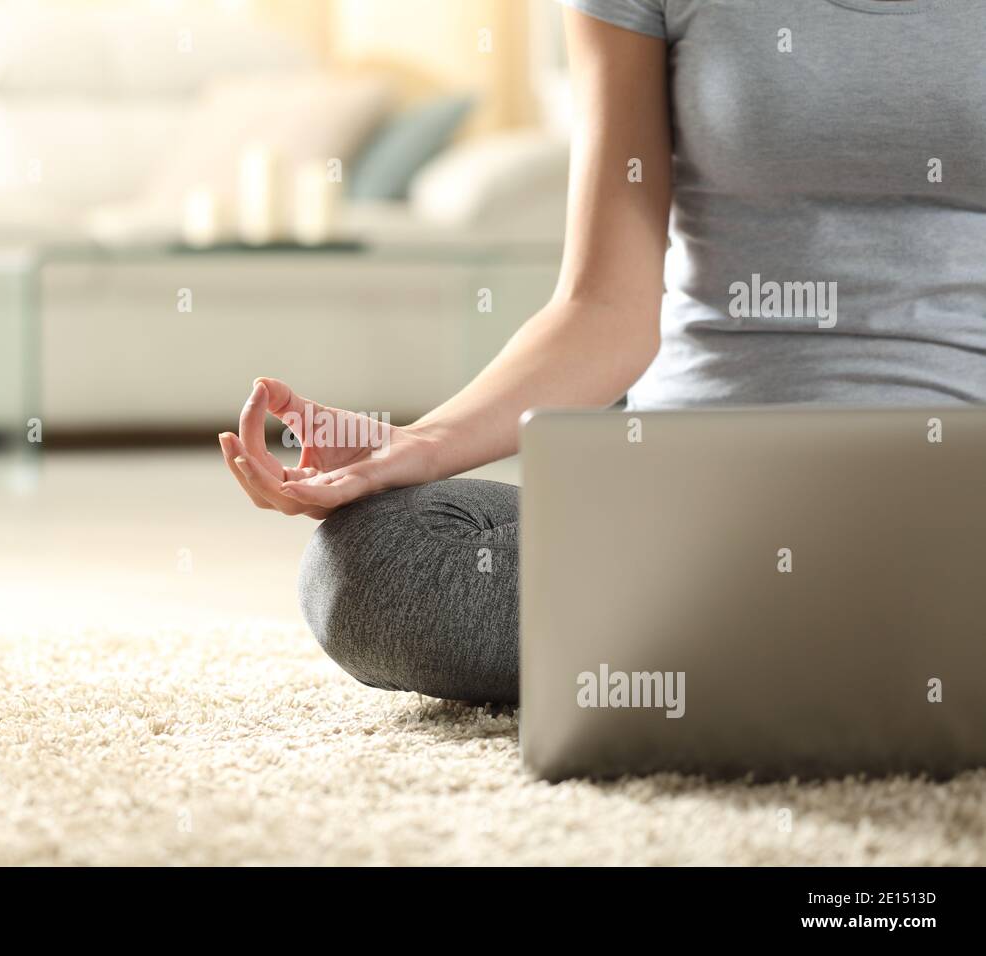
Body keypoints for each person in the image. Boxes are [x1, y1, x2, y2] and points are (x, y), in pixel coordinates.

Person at [217, 0, 986, 704]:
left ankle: (749, 649)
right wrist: (419, 444)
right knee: (372, 565)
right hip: (689, 515)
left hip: (955, 500)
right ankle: (866, 646)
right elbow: (603, 308)